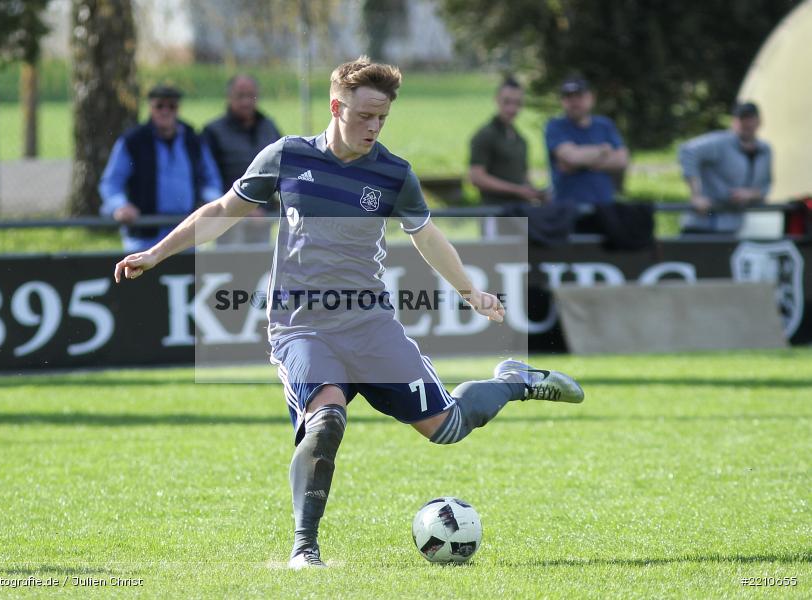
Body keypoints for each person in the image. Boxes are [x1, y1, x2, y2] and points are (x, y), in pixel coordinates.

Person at [112, 57, 585, 570]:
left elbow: (426, 236)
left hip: (369, 324)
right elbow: (223, 211)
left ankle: (514, 381)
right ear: (337, 107)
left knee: (447, 428)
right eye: (365, 116)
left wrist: (471, 291)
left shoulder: (394, 173)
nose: (374, 127)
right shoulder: (287, 156)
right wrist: (155, 253)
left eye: (382, 118)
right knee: (326, 420)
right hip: (301, 326)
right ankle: (304, 547)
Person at [99, 85, 223, 252]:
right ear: (151, 108)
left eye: (171, 106)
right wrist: (120, 206)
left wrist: (209, 202)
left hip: (186, 231)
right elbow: (111, 182)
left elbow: (211, 179)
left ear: (178, 109)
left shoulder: (193, 140)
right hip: (144, 233)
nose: (165, 111)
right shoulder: (133, 141)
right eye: (160, 106)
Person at [203, 75, 282, 245]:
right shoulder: (213, 132)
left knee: (261, 268)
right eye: (240, 96)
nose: (246, 101)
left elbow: (282, 167)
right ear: (229, 96)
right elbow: (207, 179)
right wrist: (242, 208)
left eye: (251, 95)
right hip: (228, 220)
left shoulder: (269, 127)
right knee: (231, 266)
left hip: (263, 221)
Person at [678, 101, 773, 234]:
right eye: (741, 119)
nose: (746, 123)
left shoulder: (765, 150)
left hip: (733, 227)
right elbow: (687, 151)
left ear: (758, 121)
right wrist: (696, 195)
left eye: (750, 119)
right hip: (703, 224)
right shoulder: (719, 142)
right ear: (734, 121)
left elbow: (766, 185)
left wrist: (751, 194)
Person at [544, 77, 629, 211]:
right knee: (509, 227)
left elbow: (622, 160)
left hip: (603, 209)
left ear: (591, 98)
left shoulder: (605, 125)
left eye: (579, 96)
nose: (574, 101)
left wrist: (579, 163)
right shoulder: (555, 126)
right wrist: (603, 150)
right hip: (566, 210)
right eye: (569, 97)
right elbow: (571, 158)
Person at [469, 77, 544, 207]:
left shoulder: (520, 139)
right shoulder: (485, 135)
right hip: (495, 211)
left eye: (517, 103)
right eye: (507, 102)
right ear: (497, 100)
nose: (512, 109)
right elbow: (476, 177)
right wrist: (517, 190)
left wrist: (533, 191)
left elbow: (523, 177)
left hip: (519, 211)